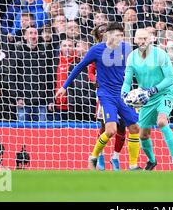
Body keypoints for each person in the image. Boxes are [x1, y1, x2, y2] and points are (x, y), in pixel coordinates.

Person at [55, 22, 141, 171]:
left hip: (123, 95)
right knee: (111, 130)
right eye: (118, 35)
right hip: (106, 95)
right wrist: (64, 86)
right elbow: (79, 67)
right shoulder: (96, 50)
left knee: (134, 128)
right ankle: (94, 156)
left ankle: (133, 165)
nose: (121, 38)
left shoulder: (126, 49)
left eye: (122, 35)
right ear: (109, 34)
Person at [122, 28, 173, 171]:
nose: (142, 41)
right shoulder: (131, 57)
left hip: (164, 93)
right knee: (143, 135)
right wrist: (124, 94)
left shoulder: (160, 54)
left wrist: (153, 90)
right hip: (146, 98)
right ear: (135, 40)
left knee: (162, 121)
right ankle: (152, 161)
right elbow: (127, 81)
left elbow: (170, 79)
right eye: (139, 38)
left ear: (150, 39)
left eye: (145, 38)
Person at [87, 24, 127, 171]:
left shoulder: (121, 49)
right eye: (102, 31)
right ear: (98, 35)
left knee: (122, 127)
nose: (106, 33)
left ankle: (115, 157)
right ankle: (100, 155)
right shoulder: (96, 51)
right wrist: (95, 81)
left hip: (121, 92)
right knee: (106, 126)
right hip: (105, 93)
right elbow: (90, 72)